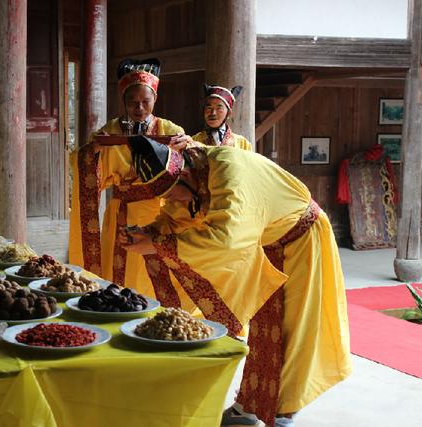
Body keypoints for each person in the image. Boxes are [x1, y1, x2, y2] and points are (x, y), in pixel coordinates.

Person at [121, 136, 351, 427]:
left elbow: (226, 241)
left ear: (186, 174)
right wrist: (151, 231)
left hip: (303, 241)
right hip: (269, 244)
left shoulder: (228, 172)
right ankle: (250, 406)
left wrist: (157, 245)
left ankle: (283, 414)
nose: (173, 200)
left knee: (293, 331)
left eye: (174, 193)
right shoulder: (194, 170)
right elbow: (176, 214)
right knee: (264, 331)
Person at [68, 58, 198, 310]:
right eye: (132, 102)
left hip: (159, 213)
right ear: (123, 102)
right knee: (120, 276)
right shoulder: (112, 130)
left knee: (157, 275)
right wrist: (92, 151)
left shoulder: (170, 128)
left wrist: (188, 145)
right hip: (120, 214)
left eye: (145, 102)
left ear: (155, 99)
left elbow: (191, 162)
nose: (139, 108)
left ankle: (161, 316)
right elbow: (86, 166)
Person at [192, 84, 252, 151]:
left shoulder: (243, 143)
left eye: (219, 108)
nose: (213, 113)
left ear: (228, 113)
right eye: (209, 108)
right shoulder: (194, 140)